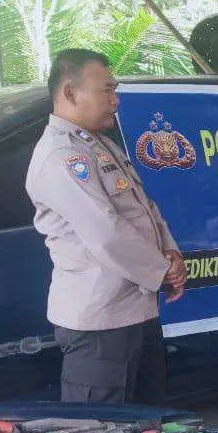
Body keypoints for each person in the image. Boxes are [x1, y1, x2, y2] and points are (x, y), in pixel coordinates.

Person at [26, 49, 186, 405]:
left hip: (135, 310)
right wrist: (162, 271)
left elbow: (143, 206)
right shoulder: (62, 155)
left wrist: (170, 250)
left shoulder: (99, 144)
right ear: (70, 93)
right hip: (100, 322)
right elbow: (106, 231)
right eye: (107, 91)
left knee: (150, 425)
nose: (115, 102)